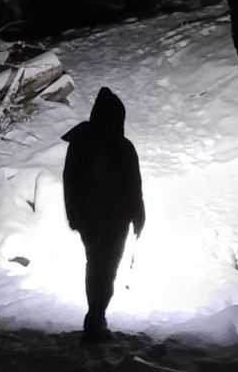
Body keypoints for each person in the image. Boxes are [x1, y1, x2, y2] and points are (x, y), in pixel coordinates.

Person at [61, 87, 145, 344]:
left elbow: (69, 180)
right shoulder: (122, 146)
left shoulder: (81, 142)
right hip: (113, 220)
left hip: (90, 219)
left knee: (96, 266)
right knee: (106, 269)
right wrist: (138, 216)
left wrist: (73, 214)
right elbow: (133, 187)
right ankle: (95, 319)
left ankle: (95, 318)